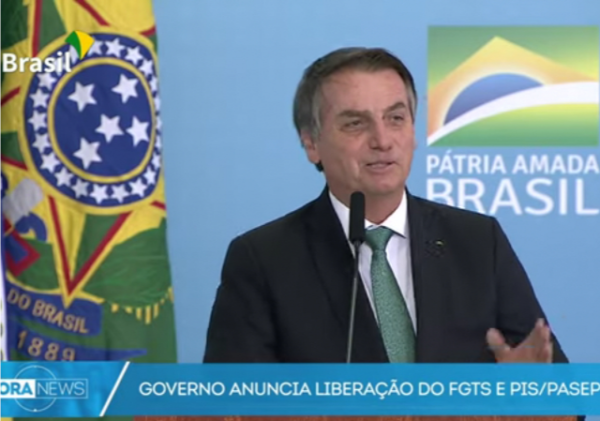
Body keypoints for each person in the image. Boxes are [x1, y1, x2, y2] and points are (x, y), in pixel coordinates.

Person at [203, 47, 568, 364]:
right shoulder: (264, 259)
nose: (382, 140)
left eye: (395, 119)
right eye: (355, 123)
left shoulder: (477, 241)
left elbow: (560, 393)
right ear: (311, 143)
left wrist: (530, 395)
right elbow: (230, 403)